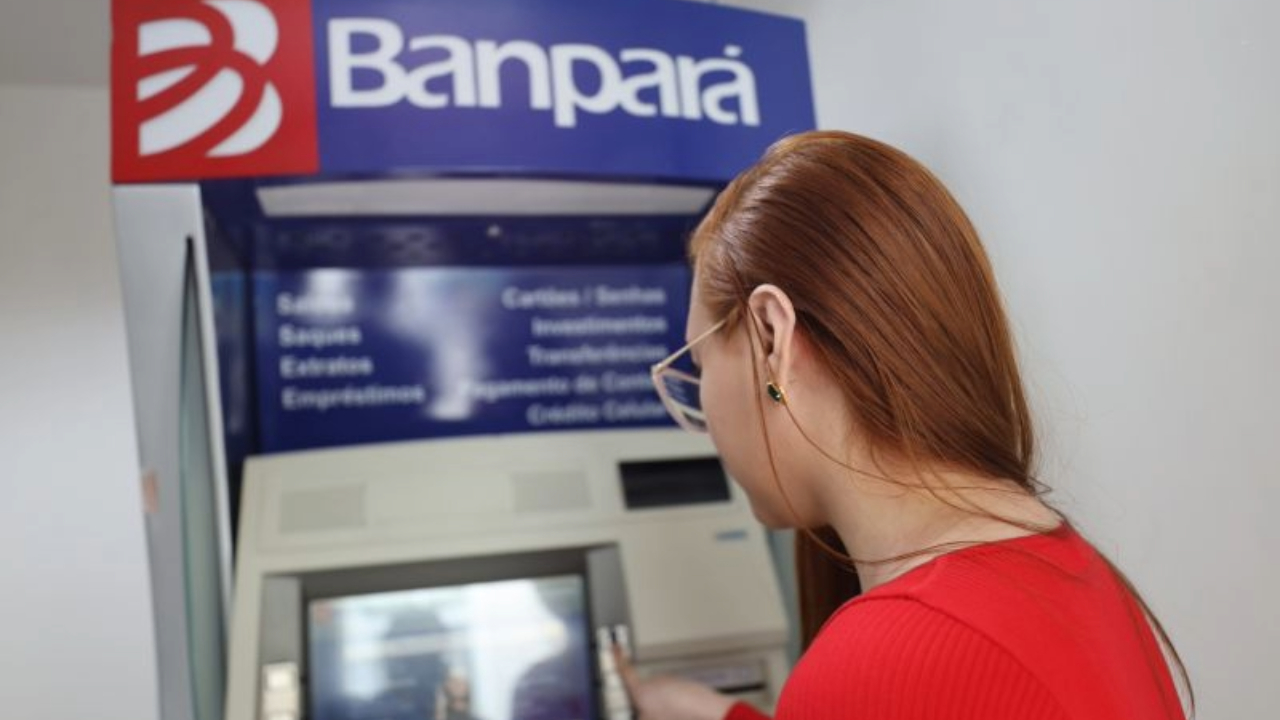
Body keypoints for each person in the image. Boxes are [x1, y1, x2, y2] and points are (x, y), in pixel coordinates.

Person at [631, 131, 1191, 720]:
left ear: (772, 337)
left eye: (700, 363)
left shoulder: (875, 669)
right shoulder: (1077, 575)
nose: (704, 415)